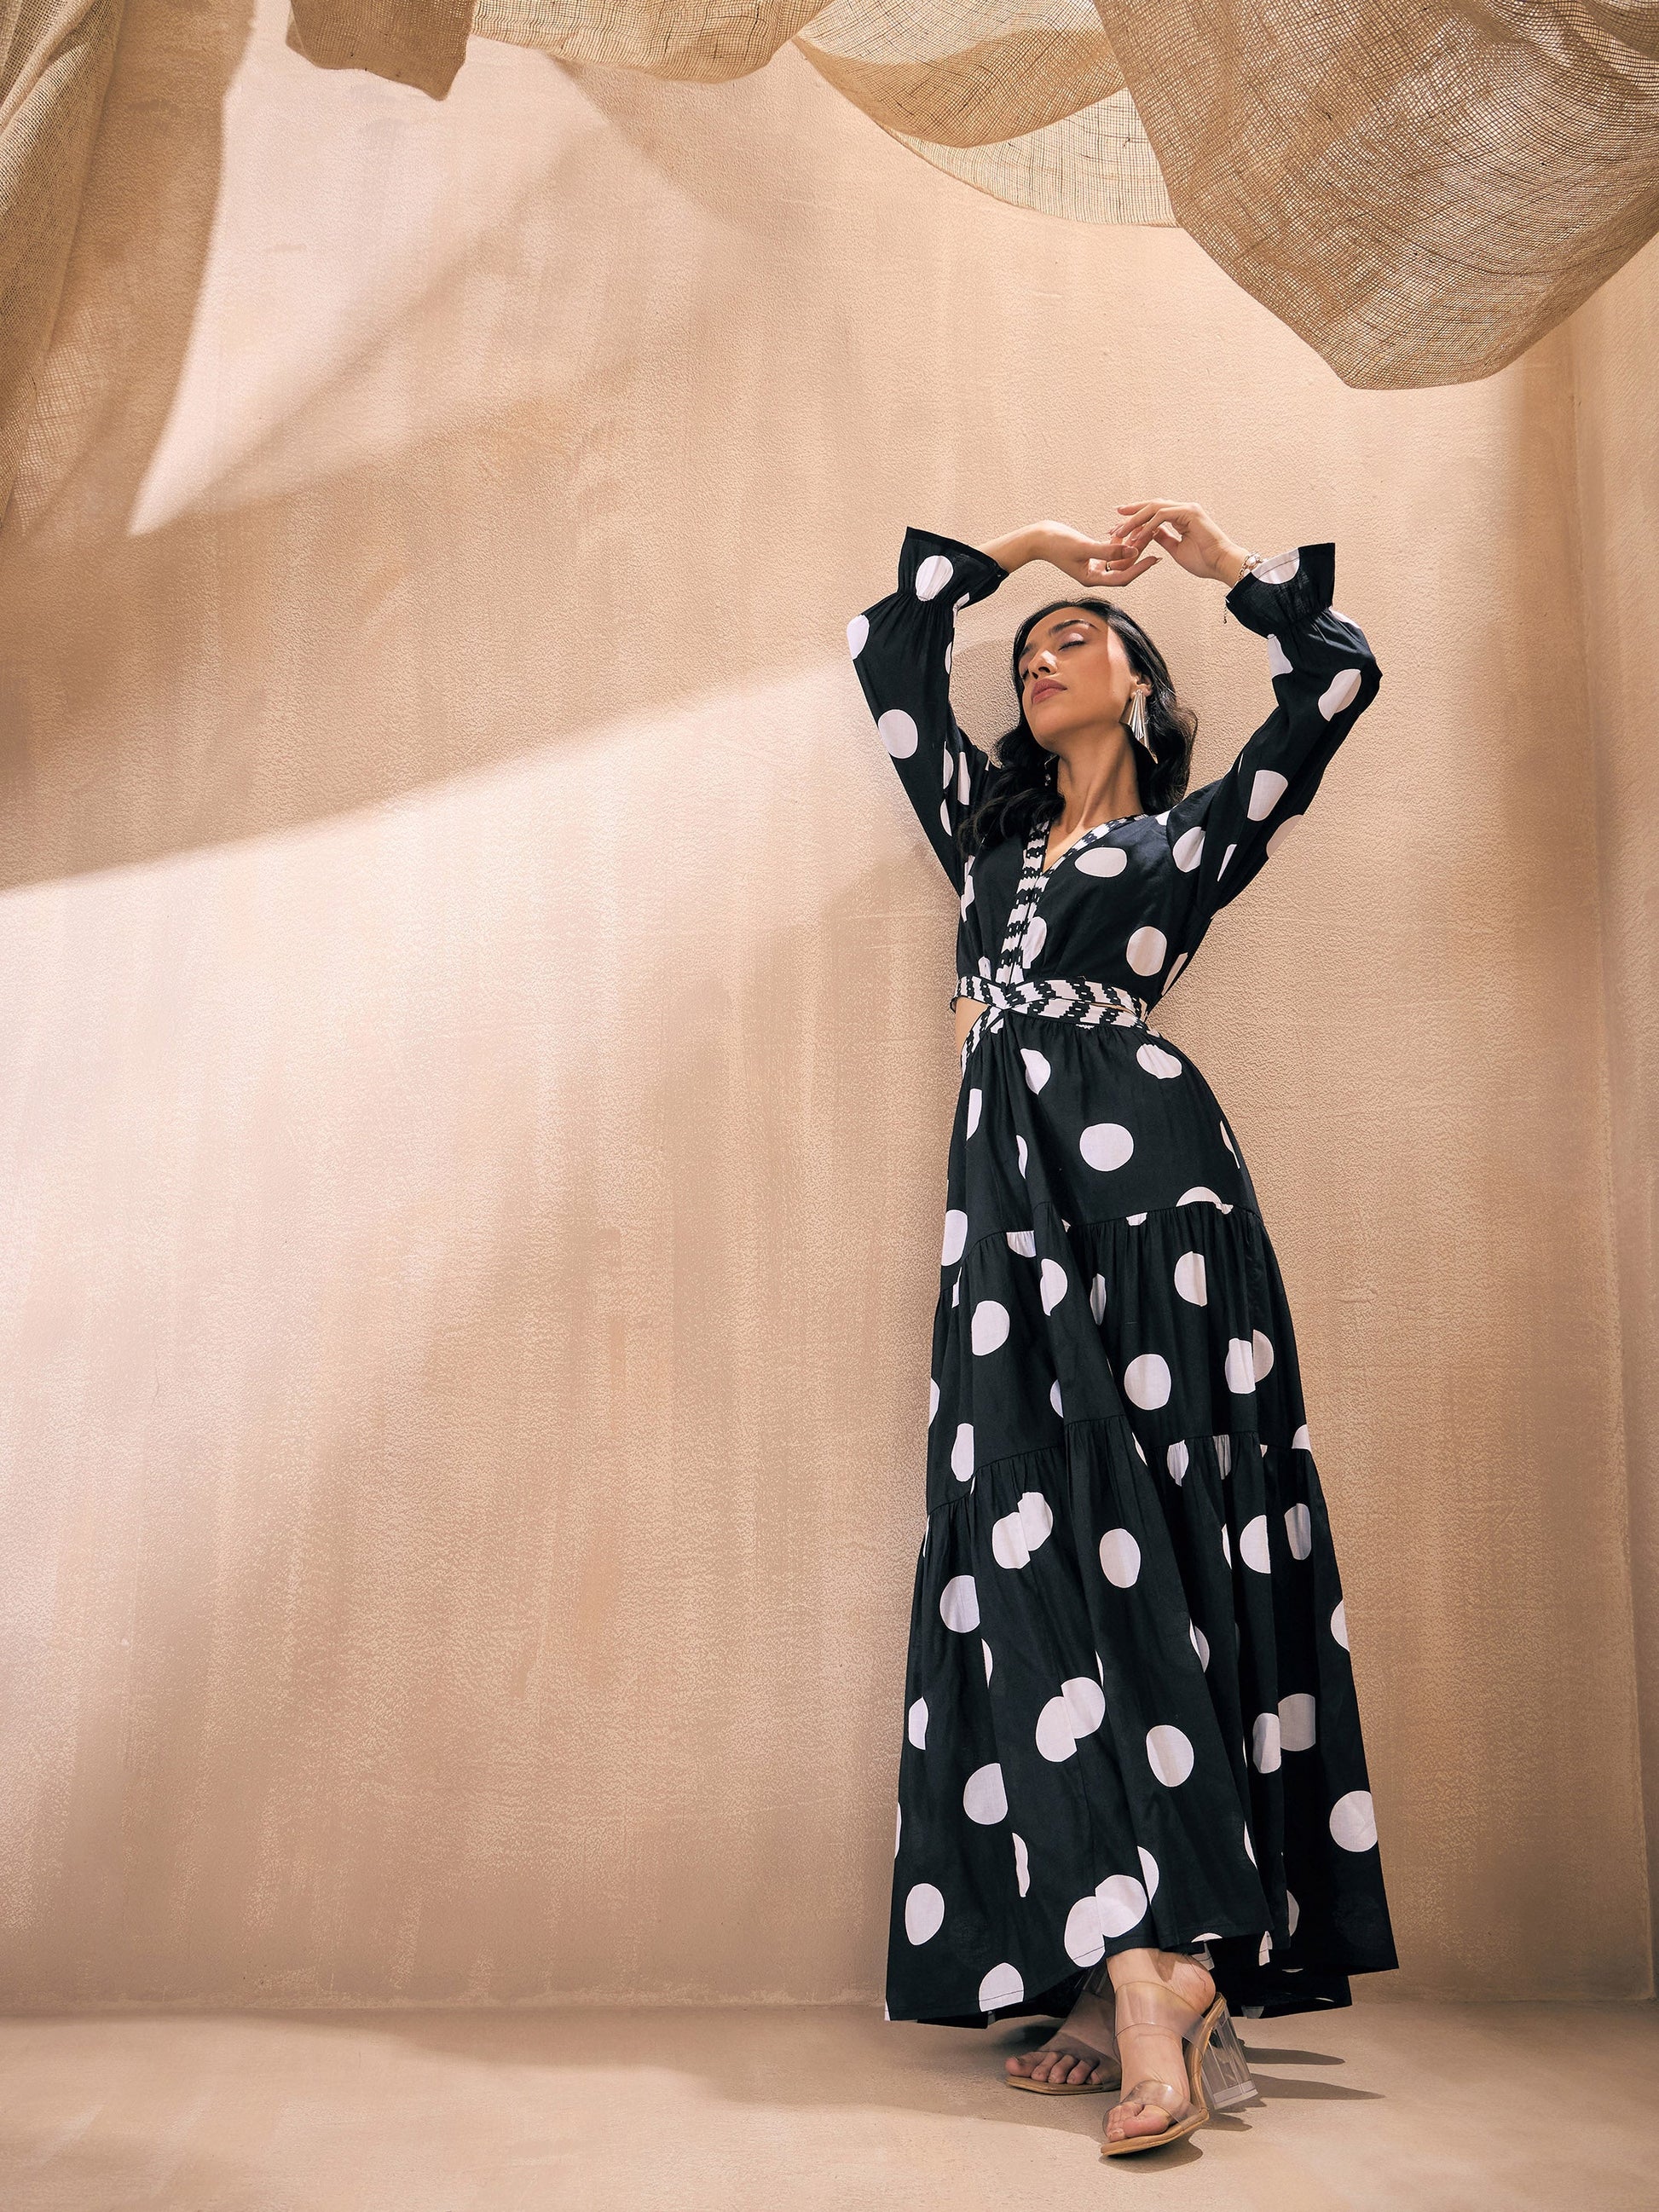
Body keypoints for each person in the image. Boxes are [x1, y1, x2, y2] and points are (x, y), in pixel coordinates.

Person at [845, 500, 1399, 2154]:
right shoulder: (982, 835)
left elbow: (1337, 679)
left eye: (1076, 637)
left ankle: (1157, 1968)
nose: (1039, 658)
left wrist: (1227, 574)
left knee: (1168, 1539)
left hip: (1158, 1202)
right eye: (1027, 652)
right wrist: (1021, 552)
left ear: (1145, 684)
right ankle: (1125, 1948)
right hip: (1009, 1216)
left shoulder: (1195, 836)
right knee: (1031, 1546)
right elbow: (888, 655)